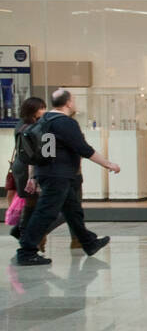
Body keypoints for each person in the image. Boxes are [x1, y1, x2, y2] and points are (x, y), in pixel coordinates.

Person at [14, 89, 119, 267]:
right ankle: (26, 251)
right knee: (45, 213)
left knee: (73, 211)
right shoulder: (65, 123)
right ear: (69, 103)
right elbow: (83, 148)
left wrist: (33, 176)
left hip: (48, 173)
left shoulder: (43, 120)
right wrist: (107, 164)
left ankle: (88, 242)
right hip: (59, 175)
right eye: (73, 100)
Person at [7, 97, 45, 246]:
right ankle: (23, 234)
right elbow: (33, 153)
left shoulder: (21, 125)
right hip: (26, 167)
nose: (44, 111)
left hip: (21, 165)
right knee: (32, 202)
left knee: (31, 202)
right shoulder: (30, 127)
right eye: (41, 108)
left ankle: (22, 232)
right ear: (33, 110)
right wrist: (33, 175)